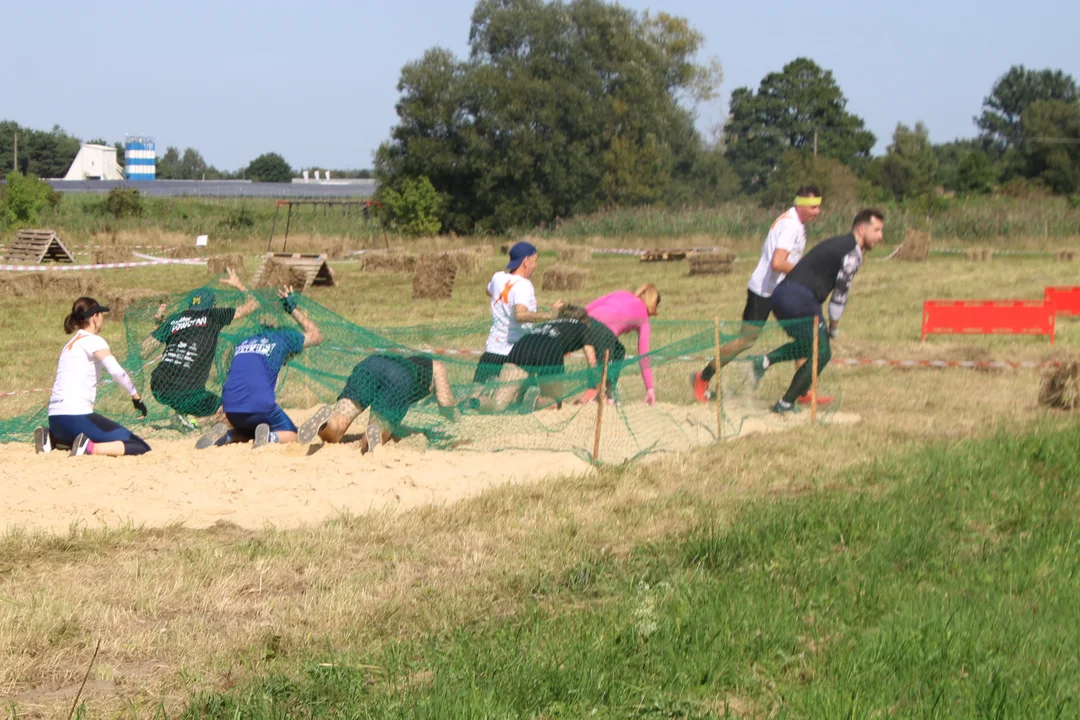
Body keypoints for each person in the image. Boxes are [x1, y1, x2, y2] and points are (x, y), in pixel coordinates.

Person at [692, 186, 822, 402]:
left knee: (803, 335)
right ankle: (702, 377)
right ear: (800, 205)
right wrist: (806, 273)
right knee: (745, 341)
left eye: (819, 207)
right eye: (813, 207)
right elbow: (778, 262)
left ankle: (802, 391)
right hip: (763, 291)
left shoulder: (796, 222)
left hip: (782, 291)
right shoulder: (791, 226)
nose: (817, 212)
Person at [753, 208, 884, 414]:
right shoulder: (852, 253)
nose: (880, 236)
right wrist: (834, 327)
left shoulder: (840, 243)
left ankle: (765, 361)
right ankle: (785, 403)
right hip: (800, 299)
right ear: (861, 229)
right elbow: (840, 294)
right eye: (877, 230)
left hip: (781, 296)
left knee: (808, 346)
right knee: (822, 352)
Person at [195, 286, 323, 449]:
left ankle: (226, 436)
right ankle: (269, 438)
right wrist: (292, 309)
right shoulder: (284, 337)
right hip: (260, 405)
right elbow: (316, 335)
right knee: (293, 435)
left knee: (248, 433)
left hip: (231, 408)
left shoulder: (243, 342)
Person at [34, 297, 151, 457]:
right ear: (94, 317)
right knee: (138, 445)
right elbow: (117, 372)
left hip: (55, 420)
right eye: (101, 315)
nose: (102, 319)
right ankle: (89, 448)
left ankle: (52, 439)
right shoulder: (93, 340)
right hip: (76, 417)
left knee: (81, 435)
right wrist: (136, 397)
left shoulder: (70, 344)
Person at [146, 267, 258, 428]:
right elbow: (253, 304)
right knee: (234, 413)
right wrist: (239, 284)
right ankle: (193, 422)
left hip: (159, 386)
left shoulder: (175, 319)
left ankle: (187, 416)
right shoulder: (213, 316)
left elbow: (144, 351)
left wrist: (159, 325)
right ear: (212, 306)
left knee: (193, 402)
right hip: (187, 392)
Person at [297, 354, 457, 453]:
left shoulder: (405, 359)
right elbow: (445, 401)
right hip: (399, 378)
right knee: (376, 439)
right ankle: (373, 436)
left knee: (337, 427)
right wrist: (453, 417)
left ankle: (327, 422)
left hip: (371, 365)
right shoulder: (437, 365)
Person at [478, 306, 623, 413]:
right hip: (549, 349)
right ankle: (536, 401)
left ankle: (474, 401)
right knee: (553, 404)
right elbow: (592, 364)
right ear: (584, 321)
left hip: (522, 345)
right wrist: (600, 390)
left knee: (498, 405)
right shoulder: (583, 328)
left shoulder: (545, 325)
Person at [474, 241, 563, 383]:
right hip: (515, 354)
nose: (536, 265)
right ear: (526, 261)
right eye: (535, 261)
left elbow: (489, 290)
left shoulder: (498, 277)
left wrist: (526, 302)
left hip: (492, 351)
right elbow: (520, 315)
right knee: (512, 401)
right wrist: (550, 315)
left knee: (476, 397)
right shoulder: (524, 285)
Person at [579, 284, 661, 406]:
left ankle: (604, 393)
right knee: (605, 364)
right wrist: (650, 388)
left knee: (619, 351)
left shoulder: (622, 293)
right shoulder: (644, 318)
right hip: (604, 332)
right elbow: (643, 356)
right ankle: (602, 395)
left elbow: (589, 307)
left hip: (586, 324)